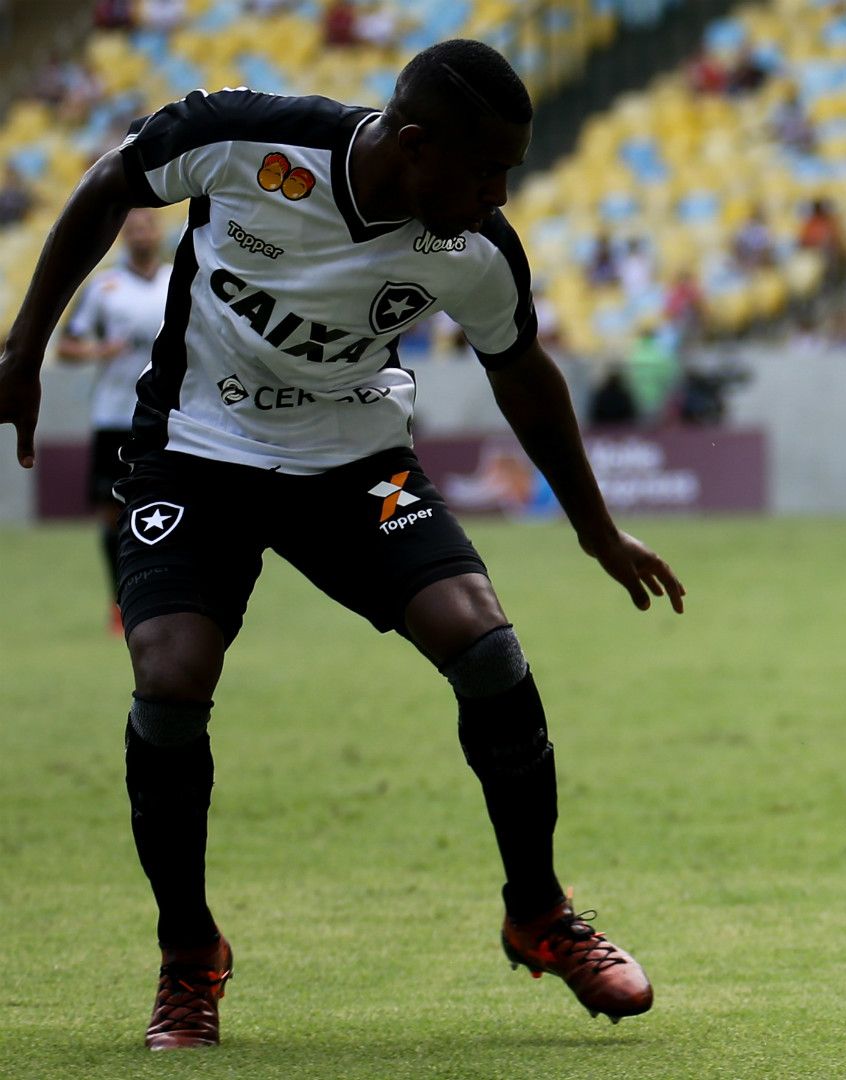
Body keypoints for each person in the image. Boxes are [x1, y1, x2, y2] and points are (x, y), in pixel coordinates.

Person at [0, 39, 687, 1050]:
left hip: (352, 467)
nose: (499, 192)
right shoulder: (248, 144)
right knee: (171, 676)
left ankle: (539, 914)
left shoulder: (475, 247)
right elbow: (111, 185)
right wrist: (24, 350)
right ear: (415, 146)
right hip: (196, 453)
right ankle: (189, 956)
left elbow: (522, 373)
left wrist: (594, 528)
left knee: (486, 647)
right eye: (486, 168)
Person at [54, 208, 171, 633]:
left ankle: (165, 601)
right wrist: (97, 352)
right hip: (114, 415)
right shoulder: (105, 287)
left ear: (159, 232)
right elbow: (66, 345)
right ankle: (118, 601)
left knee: (171, 510)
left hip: (168, 418)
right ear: (123, 235)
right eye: (133, 227)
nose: (141, 233)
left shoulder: (179, 279)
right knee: (112, 514)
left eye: (148, 225)